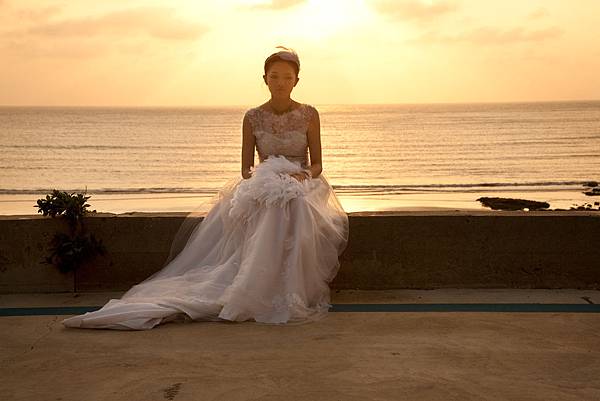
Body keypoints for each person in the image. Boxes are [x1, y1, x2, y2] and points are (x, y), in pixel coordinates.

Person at [61, 46, 349, 330]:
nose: (280, 83)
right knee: (274, 204)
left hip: (302, 181)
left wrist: (299, 177)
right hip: (263, 181)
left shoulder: (310, 114)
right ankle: (253, 286)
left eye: (287, 77)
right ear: (264, 79)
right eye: (274, 76)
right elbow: (246, 168)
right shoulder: (252, 117)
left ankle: (288, 289)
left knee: (295, 204)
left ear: (296, 80)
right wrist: (267, 183)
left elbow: (318, 164)